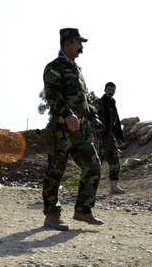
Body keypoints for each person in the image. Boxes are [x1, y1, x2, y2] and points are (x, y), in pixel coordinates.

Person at [41, 28, 103, 230]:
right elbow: (52, 94)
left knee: (93, 167)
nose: (81, 47)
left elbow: (83, 99)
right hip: (62, 130)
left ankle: (83, 211)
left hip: (82, 131)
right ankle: (52, 215)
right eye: (78, 42)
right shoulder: (54, 67)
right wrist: (67, 113)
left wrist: (93, 116)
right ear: (67, 43)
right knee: (55, 172)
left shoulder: (77, 69)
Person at [93, 82, 127, 194]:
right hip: (100, 138)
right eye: (109, 89)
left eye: (112, 90)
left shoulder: (112, 104)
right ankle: (91, 188)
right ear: (105, 90)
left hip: (110, 138)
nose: (110, 92)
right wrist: (93, 134)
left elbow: (115, 123)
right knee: (96, 164)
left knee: (115, 161)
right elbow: (92, 117)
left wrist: (119, 137)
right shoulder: (99, 102)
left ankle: (114, 186)